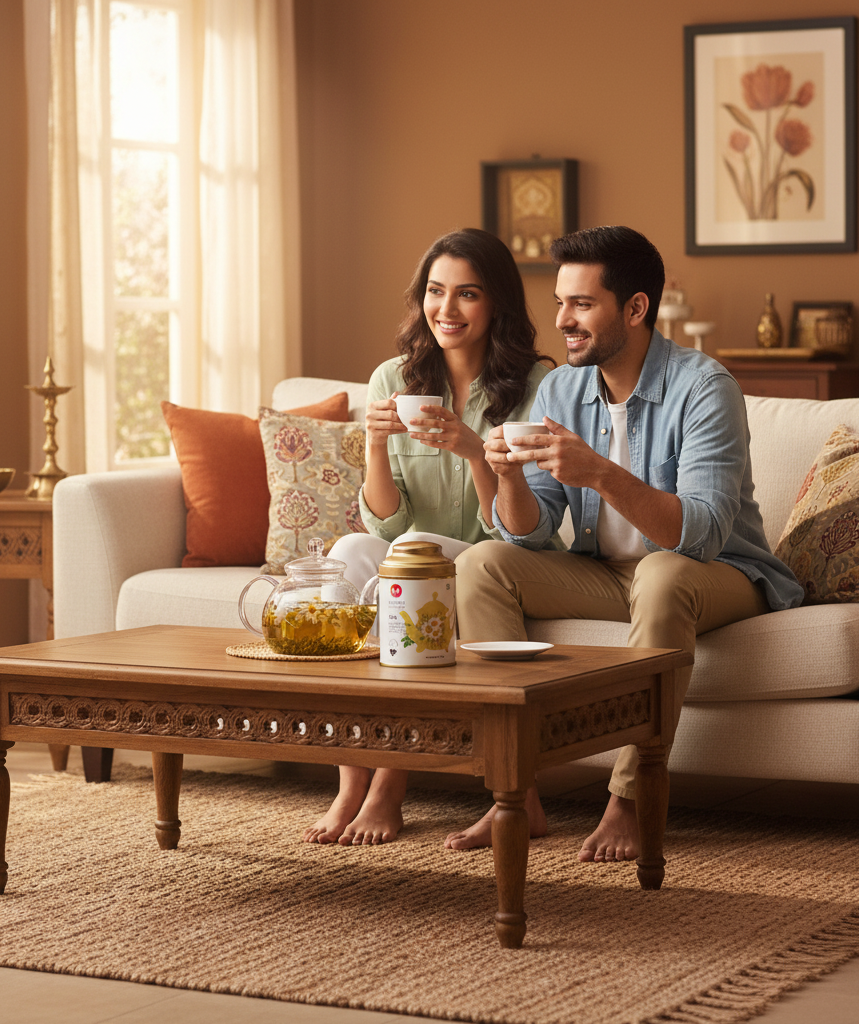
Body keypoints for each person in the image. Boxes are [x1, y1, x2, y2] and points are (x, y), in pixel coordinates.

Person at [447, 225, 803, 859]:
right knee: (483, 562)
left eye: (582, 304)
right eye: (560, 303)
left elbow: (700, 532)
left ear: (636, 308)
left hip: (718, 572)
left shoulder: (704, 387)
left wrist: (599, 473)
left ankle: (629, 801)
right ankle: (514, 795)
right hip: (608, 572)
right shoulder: (560, 389)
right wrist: (506, 478)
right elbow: (527, 532)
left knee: (663, 573)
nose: (563, 321)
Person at [302, 227, 555, 847]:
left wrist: (475, 451)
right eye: (435, 292)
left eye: (467, 294)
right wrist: (374, 441)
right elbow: (384, 522)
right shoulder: (396, 376)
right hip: (410, 553)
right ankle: (349, 781)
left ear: (496, 303)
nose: (446, 309)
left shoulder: (540, 383)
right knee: (346, 557)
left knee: (417, 558)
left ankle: (390, 786)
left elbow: (518, 531)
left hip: (488, 557)